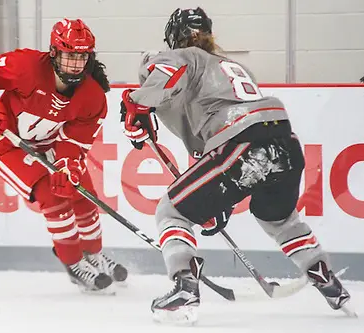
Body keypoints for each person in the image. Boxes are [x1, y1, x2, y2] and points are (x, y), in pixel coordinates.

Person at [119, 7, 351, 323]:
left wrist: (136, 102)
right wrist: (216, 204)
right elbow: (214, 147)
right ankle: (325, 277)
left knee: (171, 211)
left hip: (243, 143)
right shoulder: (231, 66)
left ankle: (184, 287)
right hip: (285, 142)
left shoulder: (184, 56)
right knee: (277, 218)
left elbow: (167, 75)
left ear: (173, 38)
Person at [0, 18, 128, 293]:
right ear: (54, 53)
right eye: (69, 56)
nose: (76, 64)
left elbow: (74, 142)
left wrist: (68, 165)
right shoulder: (25, 67)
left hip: (50, 145)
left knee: (84, 195)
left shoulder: (93, 97)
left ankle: (93, 255)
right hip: (9, 144)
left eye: (81, 57)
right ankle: (74, 263)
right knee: (52, 198)